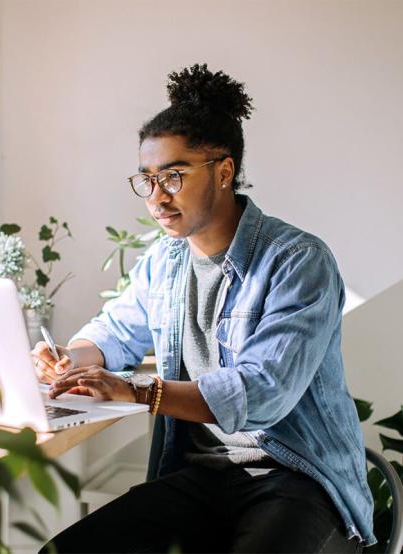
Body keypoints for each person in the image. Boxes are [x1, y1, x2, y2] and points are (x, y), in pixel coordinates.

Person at [33, 64, 375, 553]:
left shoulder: (298, 261)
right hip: (201, 478)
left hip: (295, 478)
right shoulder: (165, 261)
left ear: (224, 171)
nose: (155, 198)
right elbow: (115, 332)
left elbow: (262, 394)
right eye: (147, 179)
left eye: (172, 176)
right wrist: (72, 357)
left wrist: (138, 391)